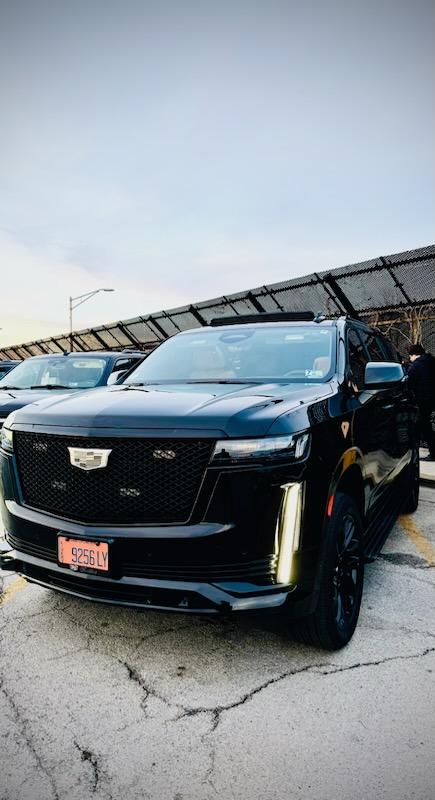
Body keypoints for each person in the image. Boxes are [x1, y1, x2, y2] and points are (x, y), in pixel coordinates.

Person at [408, 343, 435, 460]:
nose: (410, 359)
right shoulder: (431, 361)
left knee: (423, 425)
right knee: (424, 424)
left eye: (410, 356)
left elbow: (410, 383)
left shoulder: (416, 365)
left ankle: (432, 452)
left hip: (423, 400)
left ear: (414, 354)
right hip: (432, 398)